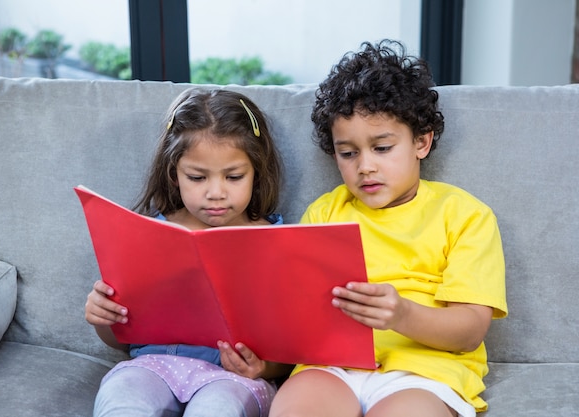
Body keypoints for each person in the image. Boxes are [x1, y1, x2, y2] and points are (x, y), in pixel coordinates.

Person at [269, 40, 508, 417]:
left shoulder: (464, 215)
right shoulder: (325, 212)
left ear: (421, 142)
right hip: (331, 367)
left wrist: (402, 315)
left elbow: (470, 331)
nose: (365, 167)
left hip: (424, 371)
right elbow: (295, 312)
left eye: (381, 148)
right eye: (348, 153)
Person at [85, 88, 293, 417]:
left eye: (234, 176)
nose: (215, 193)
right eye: (196, 177)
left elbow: (294, 345)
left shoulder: (277, 240)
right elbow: (121, 340)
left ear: (257, 171)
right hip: (152, 366)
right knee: (122, 400)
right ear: (174, 174)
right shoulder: (147, 234)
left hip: (232, 379)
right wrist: (103, 317)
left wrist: (264, 368)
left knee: (218, 409)